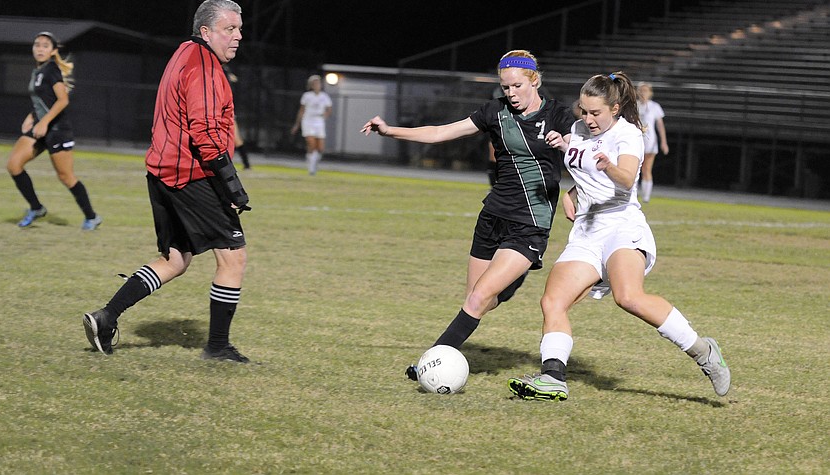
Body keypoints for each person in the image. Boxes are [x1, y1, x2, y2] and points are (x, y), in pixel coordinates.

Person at [507, 72, 730, 402]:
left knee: (628, 297)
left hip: (621, 226)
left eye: (596, 113)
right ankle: (553, 377)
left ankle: (703, 352)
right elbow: (585, 172)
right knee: (552, 301)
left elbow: (625, 179)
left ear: (615, 107)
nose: (588, 119)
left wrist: (607, 165)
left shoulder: (629, 134)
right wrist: (571, 192)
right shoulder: (578, 130)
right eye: (584, 111)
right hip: (586, 231)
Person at [361, 50, 575, 382]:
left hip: (529, 224)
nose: (511, 94)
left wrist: (566, 147)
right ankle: (509, 283)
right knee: (478, 299)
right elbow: (438, 133)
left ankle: (428, 363)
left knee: (478, 298)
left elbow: (584, 149)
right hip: (491, 218)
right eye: (505, 88)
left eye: (517, 86)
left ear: (535, 80)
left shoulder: (559, 115)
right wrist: (390, 131)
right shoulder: (495, 113)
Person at [82, 0, 252, 362]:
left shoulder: (184, 53)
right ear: (206, 32)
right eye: (230, 29)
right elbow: (205, 132)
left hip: (163, 172)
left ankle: (106, 317)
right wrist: (232, 185)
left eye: (239, 28)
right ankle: (219, 348)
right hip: (191, 175)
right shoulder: (204, 66)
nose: (238, 36)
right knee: (233, 258)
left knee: (176, 259)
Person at [6, 32, 102, 230]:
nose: (40, 49)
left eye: (45, 46)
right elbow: (42, 100)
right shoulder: (38, 71)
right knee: (14, 165)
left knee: (65, 177)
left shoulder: (51, 70)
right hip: (41, 127)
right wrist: (32, 117)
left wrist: (43, 123)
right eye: (37, 45)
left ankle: (91, 217)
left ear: (53, 51)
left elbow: (62, 100)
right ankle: (36, 208)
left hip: (57, 130)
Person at [291, 74, 332, 175]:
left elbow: (329, 109)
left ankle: (313, 163)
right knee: (311, 144)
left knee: (320, 148)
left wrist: (325, 116)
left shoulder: (324, 96)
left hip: (319, 121)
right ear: (311, 85)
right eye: (314, 83)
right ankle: (311, 169)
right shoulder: (307, 96)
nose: (317, 85)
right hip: (308, 121)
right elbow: (301, 110)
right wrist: (297, 124)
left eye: (318, 83)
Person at [637, 82, 668, 202]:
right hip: (637, 140)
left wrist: (663, 142)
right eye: (641, 90)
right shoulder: (635, 105)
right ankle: (632, 194)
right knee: (634, 168)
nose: (643, 93)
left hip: (650, 142)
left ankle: (646, 196)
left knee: (646, 168)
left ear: (650, 93)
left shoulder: (654, 106)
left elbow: (660, 125)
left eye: (646, 90)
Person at [224, 65, 252, 170]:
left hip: (226, 112)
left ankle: (246, 164)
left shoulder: (223, 71)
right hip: (220, 112)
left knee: (236, 139)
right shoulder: (218, 71)